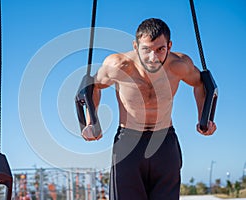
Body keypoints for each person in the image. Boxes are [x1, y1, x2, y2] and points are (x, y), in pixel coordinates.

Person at [81, 18, 217, 200]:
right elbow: (93, 87)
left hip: (164, 142)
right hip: (128, 143)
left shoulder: (179, 65)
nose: (153, 58)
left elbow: (201, 84)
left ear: (169, 46)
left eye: (160, 49)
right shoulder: (118, 66)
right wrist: (91, 122)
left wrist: (204, 117)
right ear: (136, 46)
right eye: (146, 49)